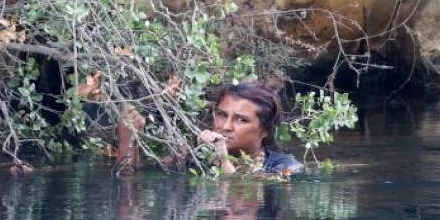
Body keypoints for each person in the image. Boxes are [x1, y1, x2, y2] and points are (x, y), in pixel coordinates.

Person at [116, 81, 302, 175]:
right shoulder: (190, 157)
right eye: (222, 115)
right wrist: (128, 140)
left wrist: (222, 162)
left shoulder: (285, 167)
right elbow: (130, 179)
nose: (226, 126)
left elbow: (246, 185)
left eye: (241, 120)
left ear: (265, 130)